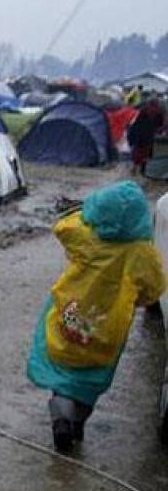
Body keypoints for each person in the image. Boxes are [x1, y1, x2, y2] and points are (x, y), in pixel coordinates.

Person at [27, 181, 164, 452]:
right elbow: (155, 289)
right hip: (106, 326)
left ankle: (61, 410)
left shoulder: (86, 237)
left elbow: (62, 226)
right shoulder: (142, 253)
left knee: (63, 359)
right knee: (93, 375)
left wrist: (90, 213)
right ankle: (77, 419)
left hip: (71, 313)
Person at [128, 95, 165, 174]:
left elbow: (160, 125)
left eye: (156, 106)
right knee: (138, 154)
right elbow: (135, 127)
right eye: (152, 106)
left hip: (150, 137)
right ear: (149, 106)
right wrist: (134, 140)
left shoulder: (159, 113)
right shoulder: (142, 113)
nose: (154, 109)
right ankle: (134, 169)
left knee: (147, 155)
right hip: (140, 137)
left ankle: (143, 170)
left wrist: (159, 131)